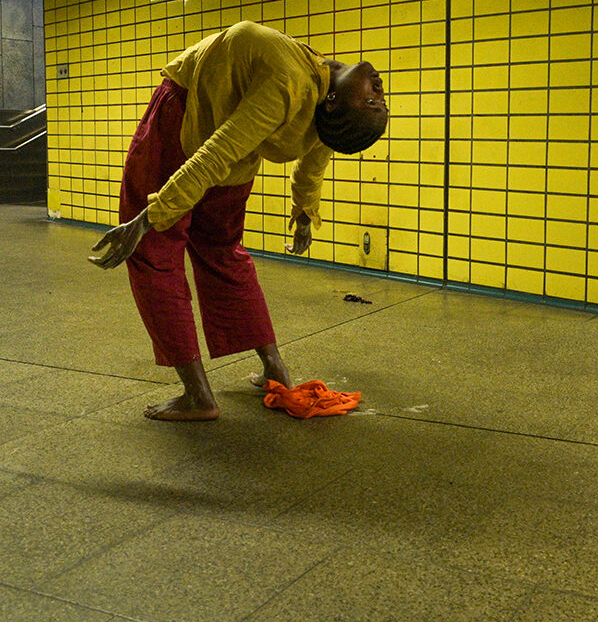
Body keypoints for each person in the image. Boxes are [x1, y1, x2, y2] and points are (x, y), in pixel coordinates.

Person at [88, 21, 388, 421]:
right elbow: (308, 163)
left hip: (184, 117)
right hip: (234, 155)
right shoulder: (319, 95)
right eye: (380, 101)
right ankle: (274, 369)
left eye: (372, 101)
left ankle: (198, 396)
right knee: (222, 253)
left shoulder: (290, 83)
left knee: (153, 251)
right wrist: (304, 213)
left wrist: (145, 221)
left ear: (334, 102)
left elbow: (216, 153)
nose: (379, 92)